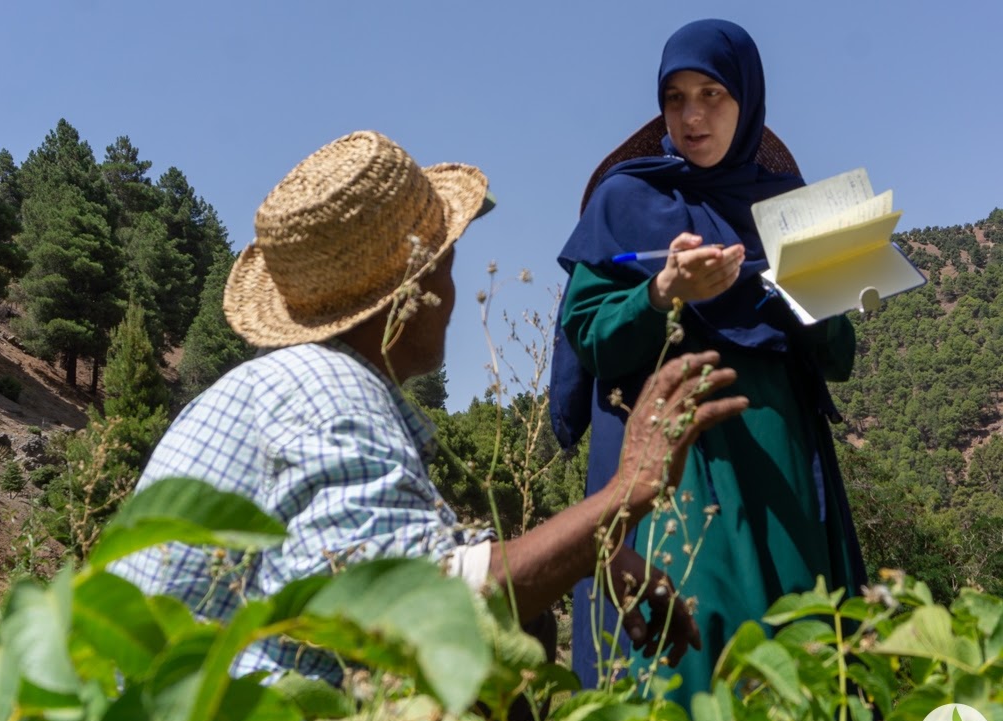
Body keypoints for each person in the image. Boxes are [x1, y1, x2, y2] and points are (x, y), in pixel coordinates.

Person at [110, 129, 748, 688]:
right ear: (409, 291)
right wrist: (626, 492)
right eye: (446, 265)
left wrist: (594, 551)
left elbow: (371, 559)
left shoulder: (287, 386)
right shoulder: (330, 400)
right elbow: (424, 600)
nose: (452, 289)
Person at [551, 19, 868, 704]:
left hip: (781, 465)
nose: (692, 116)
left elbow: (840, 355)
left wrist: (791, 293)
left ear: (747, 100)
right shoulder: (624, 201)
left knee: (801, 653)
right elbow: (589, 334)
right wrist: (664, 291)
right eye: (676, 97)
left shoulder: (794, 210)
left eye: (713, 94)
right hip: (675, 466)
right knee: (685, 653)